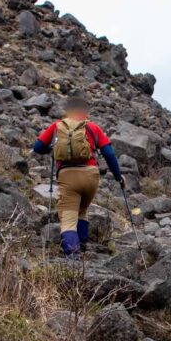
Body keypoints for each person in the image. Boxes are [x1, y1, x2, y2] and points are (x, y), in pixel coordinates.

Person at [32, 97, 124, 257]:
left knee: (68, 218)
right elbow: (109, 154)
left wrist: (55, 150)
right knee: (82, 210)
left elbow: (38, 147)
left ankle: (73, 257)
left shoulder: (56, 127)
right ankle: (82, 244)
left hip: (68, 176)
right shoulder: (93, 127)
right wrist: (119, 177)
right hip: (90, 176)